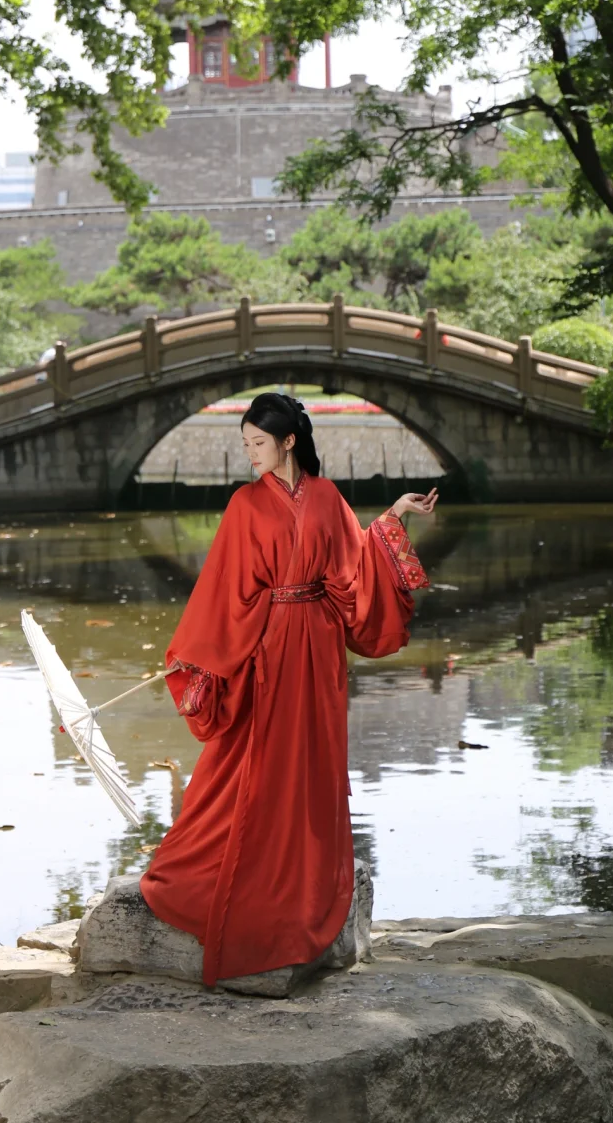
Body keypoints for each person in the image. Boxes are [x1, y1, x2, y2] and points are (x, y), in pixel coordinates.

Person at [141, 391, 437, 986]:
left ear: (289, 441)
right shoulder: (245, 505)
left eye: (257, 443)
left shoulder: (327, 498)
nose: (249, 454)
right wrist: (204, 656)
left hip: (320, 647)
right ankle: (236, 863)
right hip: (270, 643)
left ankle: (306, 864)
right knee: (252, 754)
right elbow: (225, 591)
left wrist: (394, 518)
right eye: (245, 444)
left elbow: (353, 564)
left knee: (313, 757)